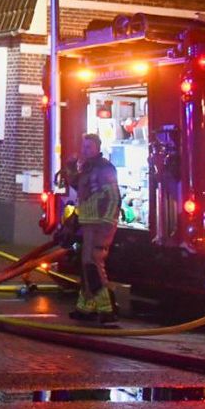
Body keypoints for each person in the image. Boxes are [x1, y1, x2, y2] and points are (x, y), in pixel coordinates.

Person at [68, 133, 121, 324]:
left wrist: (107, 222)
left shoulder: (104, 168)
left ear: (98, 148)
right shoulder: (88, 168)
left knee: (93, 263)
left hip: (100, 223)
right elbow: (81, 189)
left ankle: (107, 309)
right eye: (83, 147)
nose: (85, 150)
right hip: (88, 222)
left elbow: (113, 196)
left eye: (89, 147)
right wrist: (71, 169)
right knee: (86, 264)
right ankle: (85, 307)